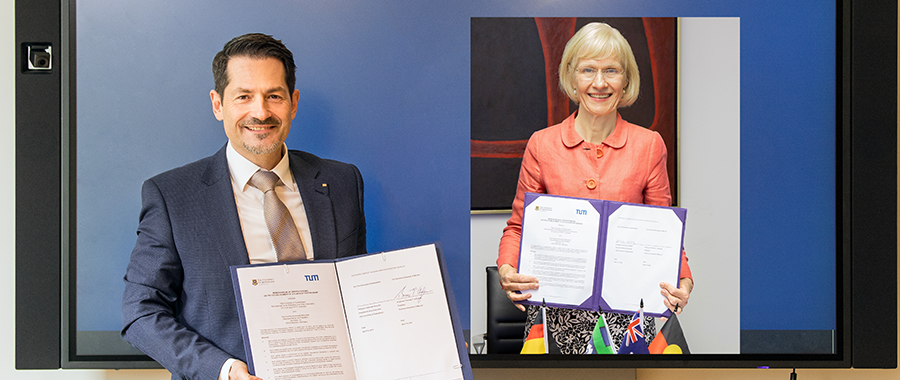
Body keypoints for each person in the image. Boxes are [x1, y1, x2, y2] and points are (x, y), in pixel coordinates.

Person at [121, 33, 367, 380]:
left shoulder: (342, 183)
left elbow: (358, 292)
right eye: (244, 96)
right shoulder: (172, 196)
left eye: (274, 96)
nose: (261, 112)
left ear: (293, 103)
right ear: (218, 104)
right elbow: (140, 312)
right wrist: (220, 369)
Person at [496, 22, 693, 354]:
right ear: (572, 78)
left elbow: (664, 233)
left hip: (627, 317)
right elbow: (518, 227)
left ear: (626, 79)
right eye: (588, 70)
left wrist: (683, 280)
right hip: (555, 315)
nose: (599, 83)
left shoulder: (649, 146)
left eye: (611, 71)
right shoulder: (542, 145)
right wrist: (506, 269)